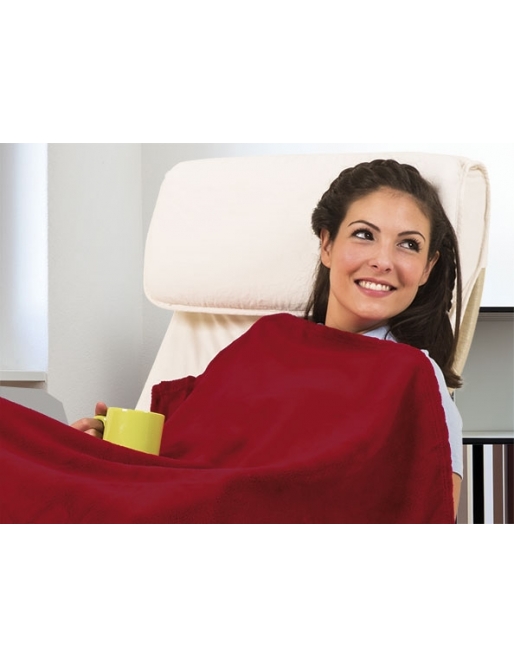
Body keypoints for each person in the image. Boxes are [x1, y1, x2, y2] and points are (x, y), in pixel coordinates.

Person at [1, 159, 463, 523]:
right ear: (326, 245)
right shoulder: (270, 339)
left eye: (408, 244)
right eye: (364, 235)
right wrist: (108, 449)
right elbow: (194, 444)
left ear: (427, 268)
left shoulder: (415, 379)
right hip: (177, 498)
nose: (383, 260)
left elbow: (430, 510)